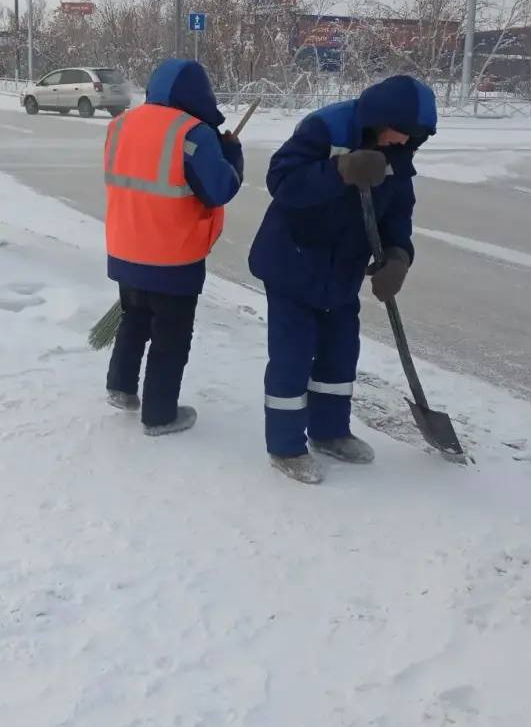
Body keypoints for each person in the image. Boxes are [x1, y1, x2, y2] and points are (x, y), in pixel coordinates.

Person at [248, 76, 436, 484]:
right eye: (399, 129)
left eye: (413, 136)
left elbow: (398, 212)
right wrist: (340, 170)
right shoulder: (327, 128)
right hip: (292, 261)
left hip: (343, 268)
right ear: (377, 118)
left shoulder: (399, 150)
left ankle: (330, 432)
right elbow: (282, 182)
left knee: (340, 353)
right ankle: (285, 446)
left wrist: (399, 256)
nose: (402, 140)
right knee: (292, 358)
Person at [103, 59, 244, 436]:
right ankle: (160, 414)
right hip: (172, 256)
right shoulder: (192, 134)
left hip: (124, 246)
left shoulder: (120, 125)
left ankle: (120, 387)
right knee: (171, 337)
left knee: (133, 319)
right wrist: (231, 154)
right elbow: (220, 189)